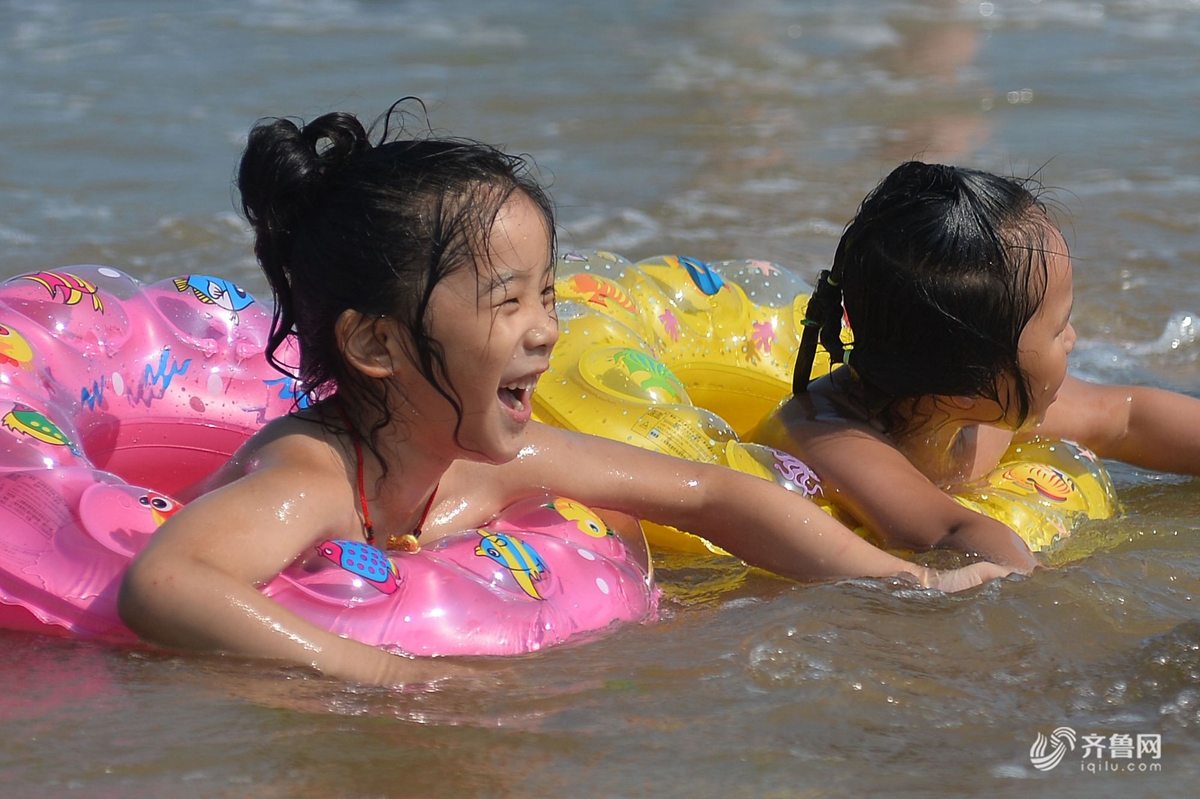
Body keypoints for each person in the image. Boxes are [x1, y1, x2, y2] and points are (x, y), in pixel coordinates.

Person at [118, 110, 1008, 687]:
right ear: (375, 342)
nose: (546, 328)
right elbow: (165, 582)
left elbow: (712, 493)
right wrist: (388, 674)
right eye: (508, 301)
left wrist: (904, 583)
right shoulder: (310, 476)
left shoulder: (490, 463)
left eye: (547, 293)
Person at [751, 161, 1200, 571]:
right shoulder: (833, 436)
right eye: (1059, 327)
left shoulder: (979, 403)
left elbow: (1124, 417)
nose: (1072, 338)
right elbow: (950, 532)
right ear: (969, 383)